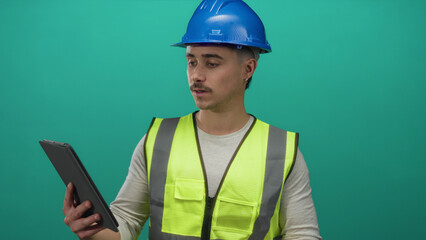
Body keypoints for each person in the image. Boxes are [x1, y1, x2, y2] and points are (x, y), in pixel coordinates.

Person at [62, 0, 322, 239]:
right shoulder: (158, 141)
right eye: (191, 62)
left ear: (248, 68)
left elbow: (303, 234)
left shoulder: (281, 152)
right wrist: (93, 227)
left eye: (211, 64)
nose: (196, 75)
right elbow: (126, 223)